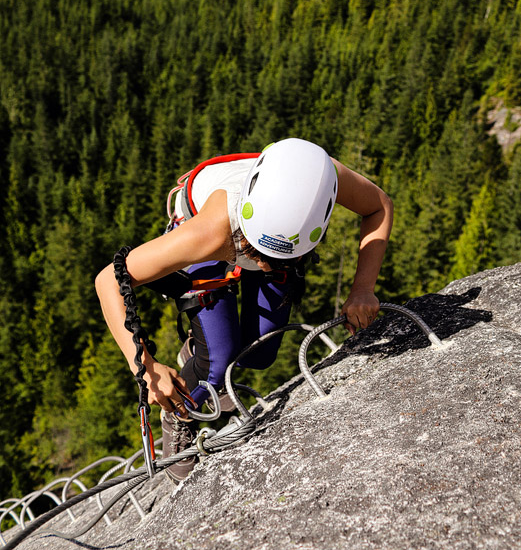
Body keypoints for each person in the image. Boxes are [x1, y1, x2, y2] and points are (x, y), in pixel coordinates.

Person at [95, 138, 393, 480]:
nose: (263, 267)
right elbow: (109, 281)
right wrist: (147, 369)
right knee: (218, 360)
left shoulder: (319, 176)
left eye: (273, 259)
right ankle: (179, 411)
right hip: (213, 235)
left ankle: (198, 350)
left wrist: (362, 289)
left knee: (260, 352)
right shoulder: (207, 234)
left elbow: (378, 206)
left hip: (269, 237)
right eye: (256, 254)